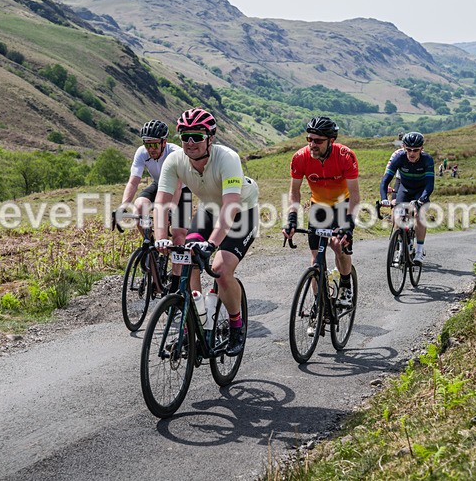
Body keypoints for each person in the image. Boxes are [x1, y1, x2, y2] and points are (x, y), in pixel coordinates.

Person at [153, 108, 259, 357]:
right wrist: (160, 237)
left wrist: (211, 245)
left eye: (197, 136)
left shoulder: (227, 158)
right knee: (188, 258)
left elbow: (231, 207)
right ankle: (196, 324)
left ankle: (236, 326)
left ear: (210, 138)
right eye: (185, 136)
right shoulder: (175, 161)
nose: (190, 142)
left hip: (240, 213)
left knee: (221, 272)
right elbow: (162, 202)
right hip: (210, 210)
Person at [283, 116, 361, 334]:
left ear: (331, 140)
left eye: (318, 140)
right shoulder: (300, 158)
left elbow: (355, 196)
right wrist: (291, 217)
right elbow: (295, 192)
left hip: (342, 205)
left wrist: (348, 224)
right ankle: (318, 308)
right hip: (319, 207)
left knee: (338, 246)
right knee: (316, 260)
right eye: (309, 139)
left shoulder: (346, 156)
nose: (312, 144)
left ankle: (345, 285)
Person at [117, 120, 189, 291]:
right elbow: (134, 181)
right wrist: (123, 206)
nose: (151, 149)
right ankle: (153, 246)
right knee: (140, 205)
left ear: (164, 142)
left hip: (181, 189)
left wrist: (169, 210)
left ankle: (177, 283)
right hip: (159, 184)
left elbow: (177, 186)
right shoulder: (142, 153)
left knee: (179, 235)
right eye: (147, 144)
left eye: (155, 144)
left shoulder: (176, 153)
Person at [379, 131, 435, 265]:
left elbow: (429, 185)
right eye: (409, 150)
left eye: (416, 150)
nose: (412, 153)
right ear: (403, 147)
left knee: (419, 215)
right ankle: (401, 247)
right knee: (397, 217)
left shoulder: (427, 160)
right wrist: (384, 198)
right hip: (404, 188)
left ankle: (419, 251)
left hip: (421, 190)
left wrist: (422, 199)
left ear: (421, 149)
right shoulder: (399, 157)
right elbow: (385, 180)